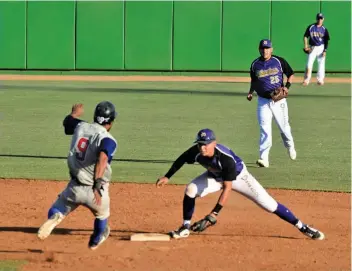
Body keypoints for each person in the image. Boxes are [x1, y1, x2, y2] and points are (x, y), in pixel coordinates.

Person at [156, 128, 324, 240]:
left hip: (239, 178)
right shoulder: (196, 152)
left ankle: (303, 227)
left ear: (214, 143)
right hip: (214, 177)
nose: (202, 148)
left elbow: (227, 187)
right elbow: (181, 160)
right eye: (200, 144)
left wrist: (214, 213)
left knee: (269, 205)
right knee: (191, 189)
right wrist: (167, 176)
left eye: (206, 144)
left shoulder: (225, 159)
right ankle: (185, 227)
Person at [37, 101, 118, 250]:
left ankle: (56, 217)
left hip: (74, 188)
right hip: (96, 191)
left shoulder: (81, 126)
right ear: (111, 121)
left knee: (56, 210)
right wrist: (97, 183)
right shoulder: (108, 139)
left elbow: (68, 123)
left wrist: (74, 114)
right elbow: (103, 158)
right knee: (102, 216)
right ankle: (95, 241)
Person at [247, 39, 296, 168]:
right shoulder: (255, 64)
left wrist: (287, 87)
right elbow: (254, 81)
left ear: (271, 49)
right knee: (265, 129)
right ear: (259, 50)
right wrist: (250, 92)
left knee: (284, 128)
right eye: (262, 48)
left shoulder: (279, 61)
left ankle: (290, 145)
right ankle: (264, 158)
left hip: (278, 100)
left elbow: (291, 74)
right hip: (263, 101)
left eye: (267, 48)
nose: (265, 50)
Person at [302, 13, 330, 86]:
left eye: (321, 18)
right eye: (318, 18)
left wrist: (325, 50)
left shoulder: (324, 29)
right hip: (312, 47)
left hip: (321, 47)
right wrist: (306, 46)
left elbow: (326, 40)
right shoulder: (311, 27)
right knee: (309, 64)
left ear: (323, 19)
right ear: (316, 18)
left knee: (321, 64)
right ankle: (306, 80)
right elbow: (305, 36)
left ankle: (320, 80)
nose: (319, 20)